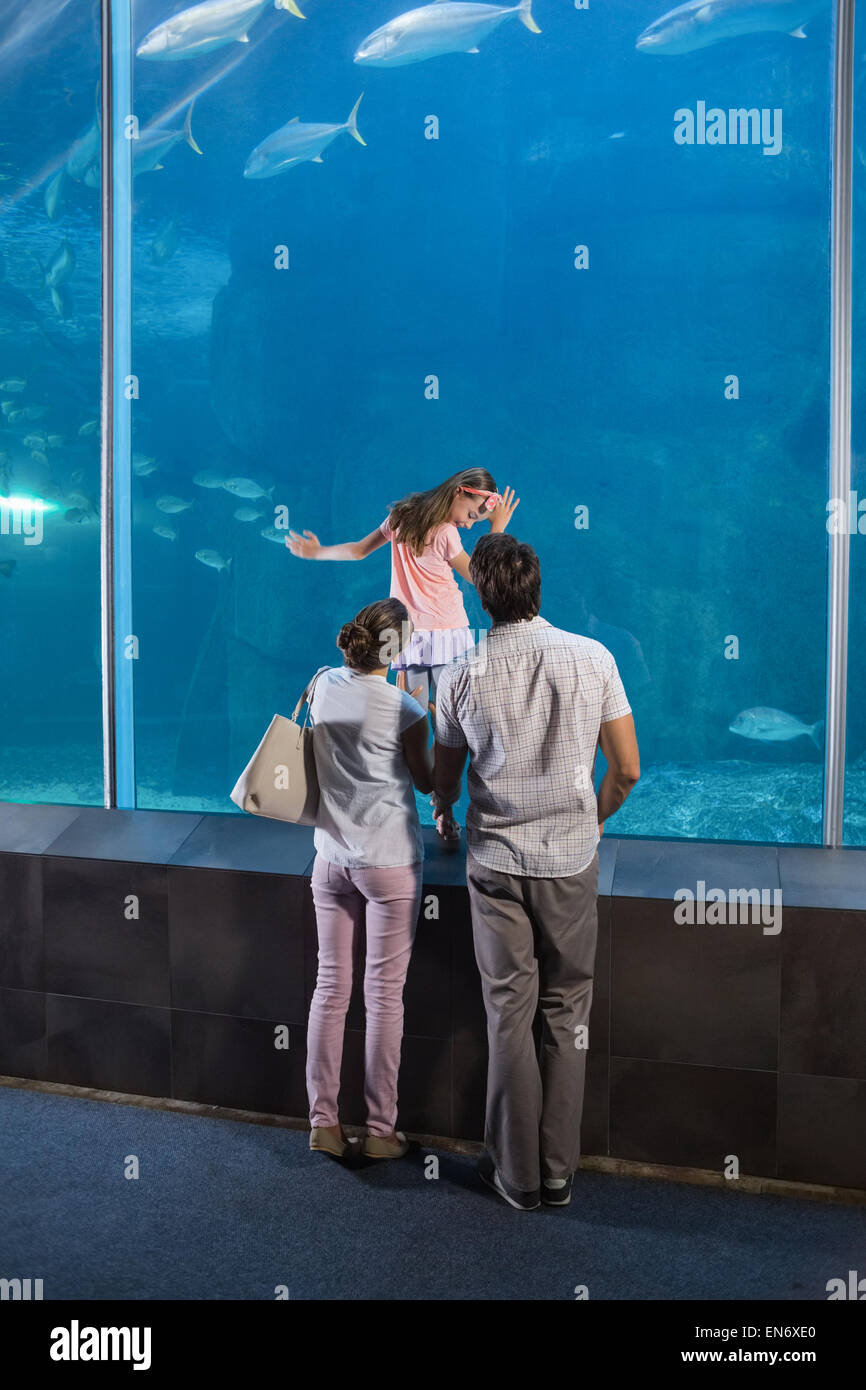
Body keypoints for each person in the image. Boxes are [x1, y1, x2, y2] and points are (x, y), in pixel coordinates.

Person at [433, 533, 640, 1211]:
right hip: (570, 860)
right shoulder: (594, 657)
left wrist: (442, 811)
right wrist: (595, 820)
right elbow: (628, 769)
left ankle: (516, 1177)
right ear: (538, 587)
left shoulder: (459, 673)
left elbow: (445, 777)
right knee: (565, 1012)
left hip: (493, 862)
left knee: (507, 1015)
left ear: (480, 592)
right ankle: (557, 1172)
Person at [285, 468, 520, 839]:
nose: (471, 525)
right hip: (449, 638)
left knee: (416, 723)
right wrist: (499, 528)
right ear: (460, 492)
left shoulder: (400, 516)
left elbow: (359, 551)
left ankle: (423, 805)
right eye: (474, 514)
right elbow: (479, 575)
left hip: (405, 639)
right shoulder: (445, 533)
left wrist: (317, 553)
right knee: (456, 726)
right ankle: (447, 807)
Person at [305, 598, 433, 1162]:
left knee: (329, 990)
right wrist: (421, 705)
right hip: (388, 862)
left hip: (330, 859)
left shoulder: (321, 683)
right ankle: (381, 1131)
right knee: (383, 998)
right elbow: (428, 782)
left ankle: (323, 1124)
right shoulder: (405, 709)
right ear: (399, 649)